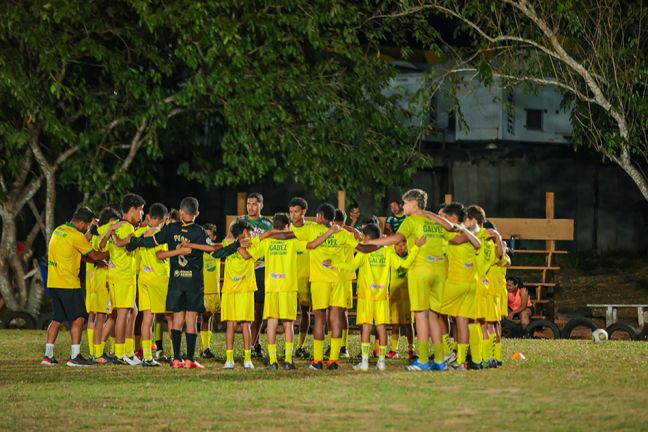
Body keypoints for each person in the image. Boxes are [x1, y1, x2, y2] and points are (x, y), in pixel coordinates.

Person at [128, 197, 242, 369]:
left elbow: (151, 242)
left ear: (181, 212)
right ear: (197, 213)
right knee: (191, 319)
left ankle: (175, 359)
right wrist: (236, 246)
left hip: (176, 281)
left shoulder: (170, 229)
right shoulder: (199, 232)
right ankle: (189, 359)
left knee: (177, 319)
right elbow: (215, 253)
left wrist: (132, 243)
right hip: (193, 283)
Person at [266, 203, 376, 370]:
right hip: (338, 280)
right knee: (336, 319)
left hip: (319, 281)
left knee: (319, 319)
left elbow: (287, 236)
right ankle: (333, 360)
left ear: (322, 217)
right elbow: (361, 247)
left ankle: (317, 360)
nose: (315, 218)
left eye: (317, 215)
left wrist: (264, 237)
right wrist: (378, 245)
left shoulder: (313, 230)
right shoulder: (343, 233)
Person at [362, 189, 457, 371]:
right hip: (439, 273)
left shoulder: (411, 220)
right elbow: (451, 228)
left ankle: (422, 360)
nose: (403, 206)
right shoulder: (434, 220)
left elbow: (398, 238)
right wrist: (428, 213)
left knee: (421, 316)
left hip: (421, 271)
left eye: (405, 203)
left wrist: (373, 242)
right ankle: (439, 360)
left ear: (414, 204)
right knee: (434, 316)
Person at [41, 206, 109, 366]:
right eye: (87, 226)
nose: (87, 229)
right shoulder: (76, 236)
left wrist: (91, 232)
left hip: (54, 282)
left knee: (57, 319)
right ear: (82, 223)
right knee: (78, 318)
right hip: (68, 284)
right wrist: (112, 251)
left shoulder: (59, 231)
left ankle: (47, 355)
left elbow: (77, 250)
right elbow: (93, 256)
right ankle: (75, 356)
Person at [351, 224, 424, 371]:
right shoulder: (388, 252)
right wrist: (415, 248)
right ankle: (381, 362)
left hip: (366, 296)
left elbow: (351, 267)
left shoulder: (364, 252)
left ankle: (364, 363)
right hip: (383, 297)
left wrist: (334, 266)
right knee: (382, 328)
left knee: (366, 327)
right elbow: (404, 265)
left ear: (367, 238)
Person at [100, 193, 146, 366]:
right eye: (141, 210)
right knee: (123, 314)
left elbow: (102, 245)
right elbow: (121, 243)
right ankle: (121, 353)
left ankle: (127, 352)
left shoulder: (115, 225)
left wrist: (110, 232)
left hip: (116, 275)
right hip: (123, 276)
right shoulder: (126, 227)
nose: (141, 214)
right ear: (132, 210)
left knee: (132, 311)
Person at [257, 213, 300, 370]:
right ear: (287, 227)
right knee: (288, 324)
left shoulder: (267, 241)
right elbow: (310, 245)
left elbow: (252, 254)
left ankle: (273, 361)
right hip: (288, 286)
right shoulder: (294, 241)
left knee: (272, 323)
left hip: (272, 287)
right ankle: (288, 360)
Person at [219, 220, 261, 369]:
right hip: (230, 289)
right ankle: (229, 359)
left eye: (249, 233)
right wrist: (236, 243)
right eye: (246, 232)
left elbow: (245, 256)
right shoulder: (228, 242)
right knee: (230, 324)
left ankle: (247, 358)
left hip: (246, 289)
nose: (249, 235)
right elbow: (224, 243)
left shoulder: (253, 244)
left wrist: (238, 244)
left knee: (245, 324)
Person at [134, 203, 170, 367]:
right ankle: (176, 355)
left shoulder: (141, 232)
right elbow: (162, 255)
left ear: (149, 216)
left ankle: (147, 356)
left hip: (143, 278)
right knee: (172, 316)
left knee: (147, 319)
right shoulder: (161, 235)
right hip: (158, 279)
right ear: (164, 219)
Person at [238, 192, 273, 358]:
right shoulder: (240, 221)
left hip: (261, 268)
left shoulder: (267, 223)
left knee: (259, 310)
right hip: (245, 268)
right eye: (248, 204)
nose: (251, 207)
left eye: (254, 204)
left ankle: (253, 344)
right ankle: (253, 343)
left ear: (261, 205)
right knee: (247, 309)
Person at [88, 206, 121, 364]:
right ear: (112, 221)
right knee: (102, 316)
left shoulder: (97, 231)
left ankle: (99, 351)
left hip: (99, 278)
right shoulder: (105, 231)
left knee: (110, 315)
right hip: (104, 279)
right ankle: (97, 353)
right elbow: (102, 252)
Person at [288, 197, 312, 359]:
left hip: (307, 277)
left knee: (305, 311)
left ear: (304, 212)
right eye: (291, 212)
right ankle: (287, 347)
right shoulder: (286, 229)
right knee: (288, 314)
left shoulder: (312, 228)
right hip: (289, 278)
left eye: (296, 211)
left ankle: (300, 346)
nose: (293, 215)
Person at [386, 238, 417, 360]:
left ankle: (411, 350)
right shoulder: (391, 255)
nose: (400, 247)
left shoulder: (413, 256)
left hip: (408, 296)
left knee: (409, 324)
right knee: (395, 323)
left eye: (403, 245)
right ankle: (394, 350)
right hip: (395, 294)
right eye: (397, 245)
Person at [200, 223, 221, 359]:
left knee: (210, 316)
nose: (206, 239)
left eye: (209, 236)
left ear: (214, 237)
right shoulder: (200, 251)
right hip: (204, 289)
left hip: (215, 289)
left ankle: (207, 346)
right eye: (204, 236)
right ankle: (204, 347)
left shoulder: (217, 250)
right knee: (205, 316)